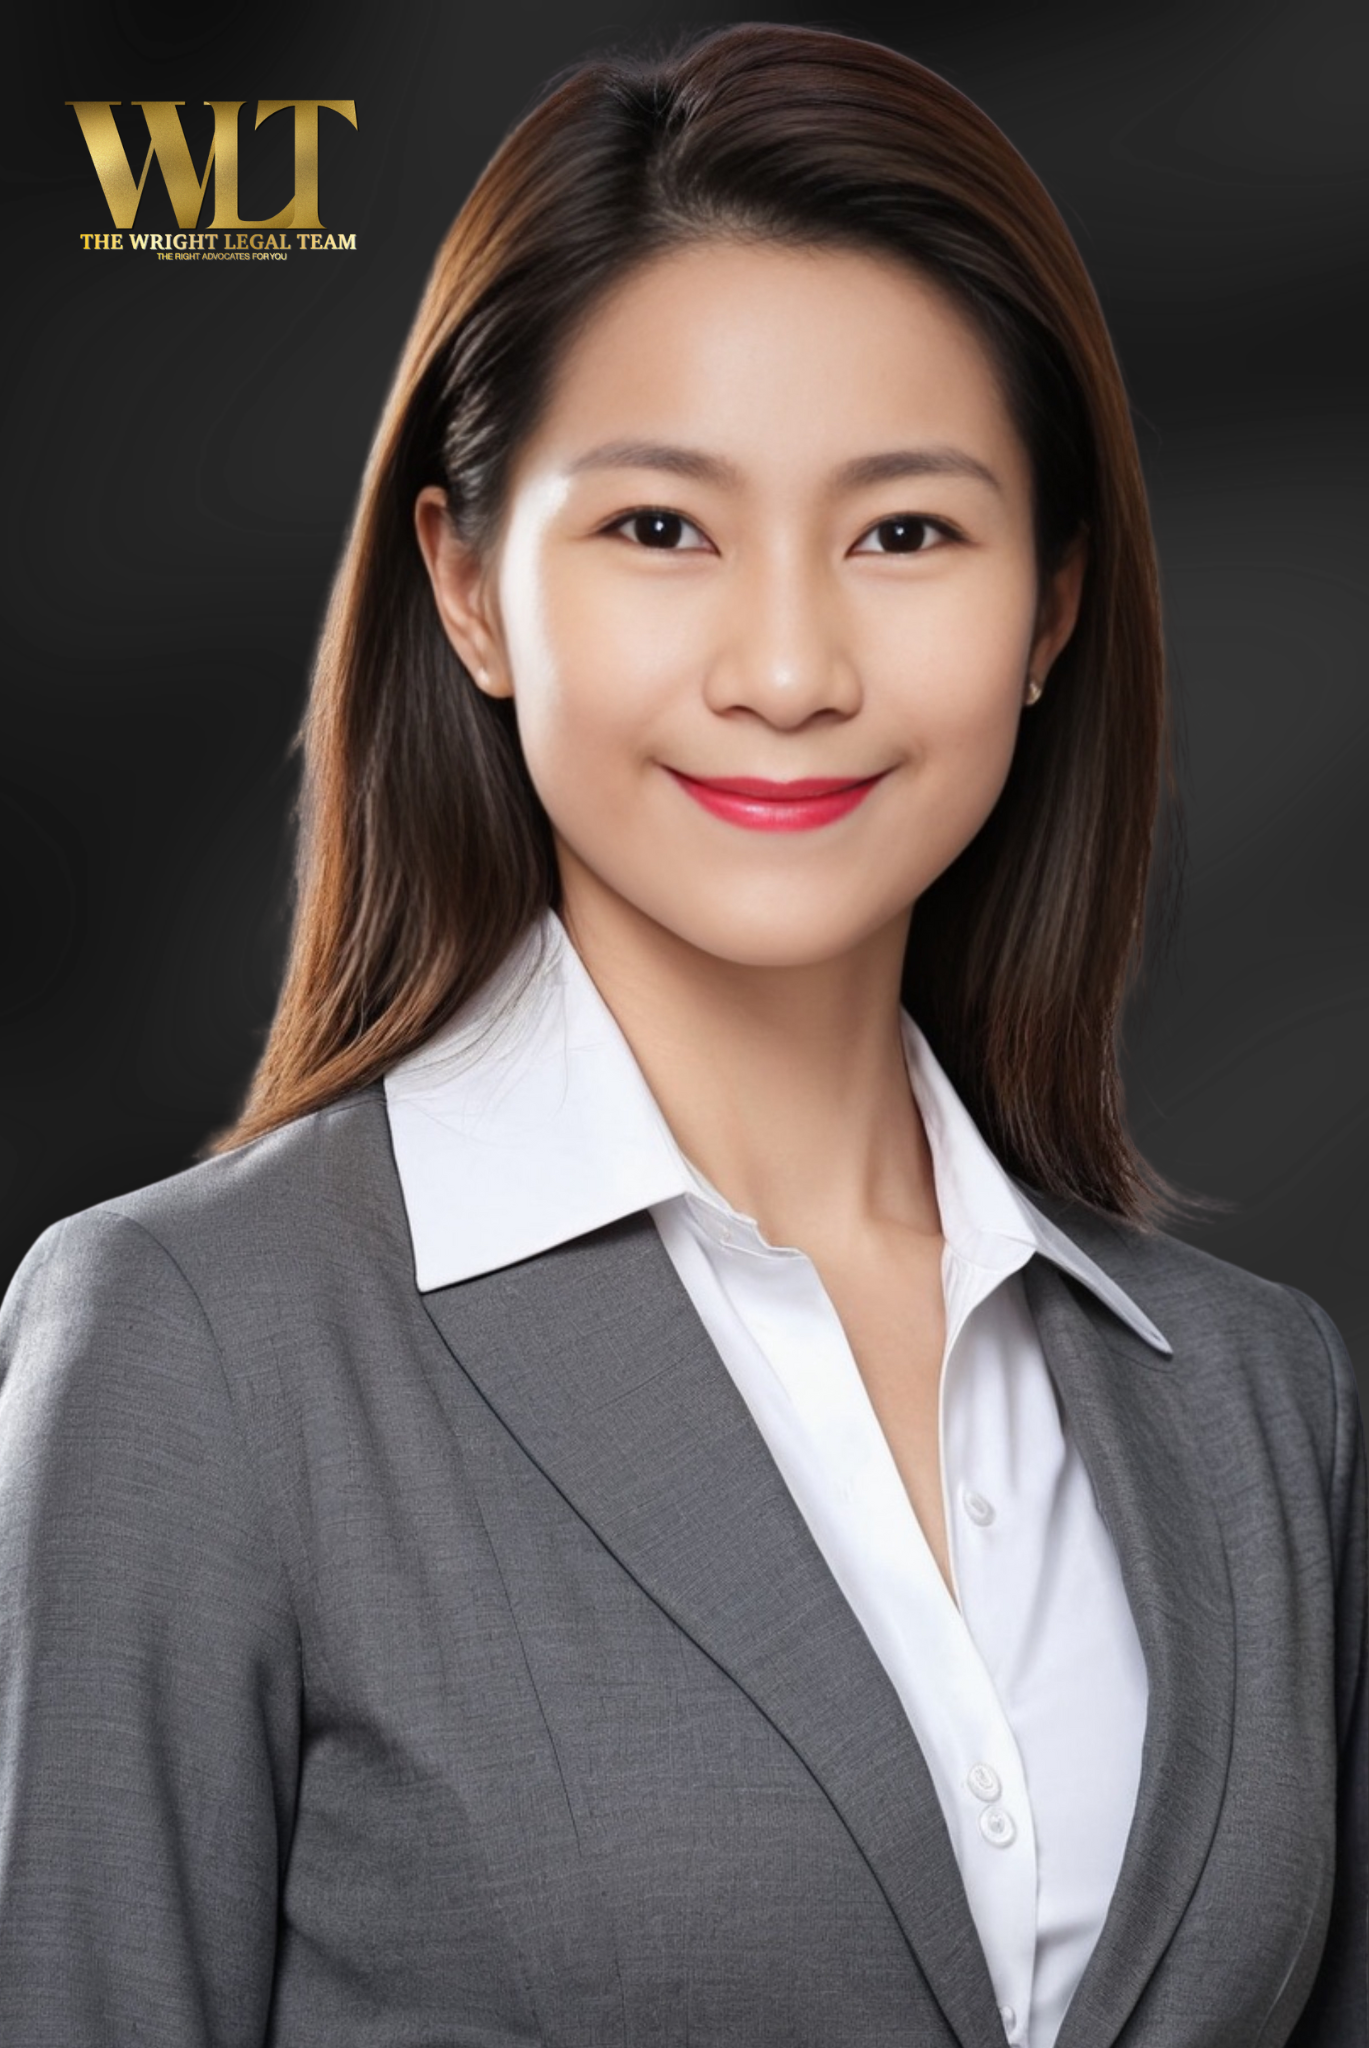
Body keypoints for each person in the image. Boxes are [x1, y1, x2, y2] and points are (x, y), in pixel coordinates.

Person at [0, 22, 1362, 2048]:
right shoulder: (197, 1349)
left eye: (907, 532)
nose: (793, 668)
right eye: (660, 530)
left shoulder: (1261, 1404)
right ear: (466, 586)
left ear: (1054, 611)